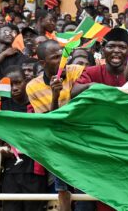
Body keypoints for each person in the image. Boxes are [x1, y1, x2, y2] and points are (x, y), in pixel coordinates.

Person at [26, 40, 84, 211]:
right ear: (43, 63)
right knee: (63, 193)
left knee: (85, 195)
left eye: (63, 55)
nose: (63, 61)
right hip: (58, 146)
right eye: (56, 57)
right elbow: (49, 122)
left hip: (81, 143)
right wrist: (55, 96)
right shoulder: (33, 87)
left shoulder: (75, 71)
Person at [0, 66, 47, 211]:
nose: (14, 88)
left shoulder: (37, 102)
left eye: (18, 82)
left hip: (34, 169)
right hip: (10, 170)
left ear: (26, 81)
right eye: (10, 84)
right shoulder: (2, 104)